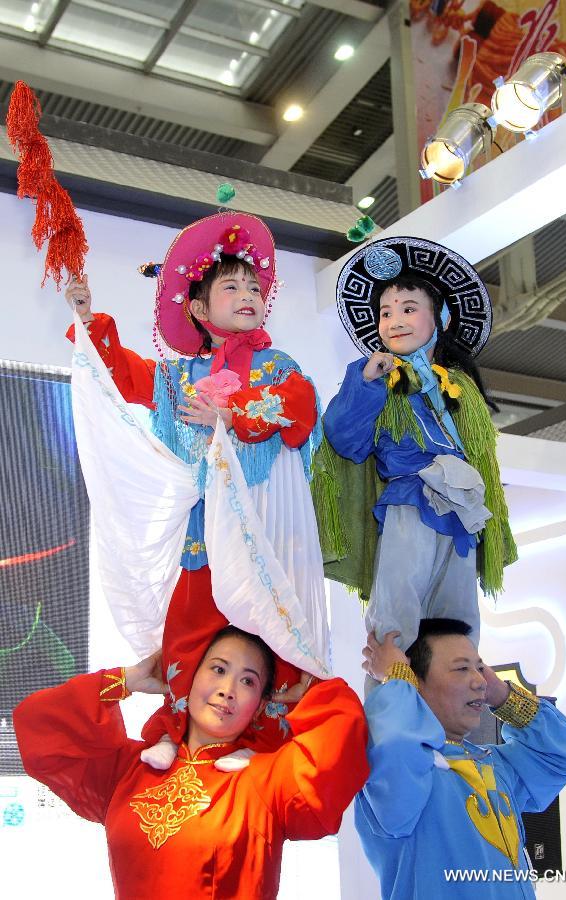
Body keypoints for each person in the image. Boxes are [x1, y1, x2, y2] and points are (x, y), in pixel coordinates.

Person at [65, 211, 329, 769]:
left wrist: (230, 416)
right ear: (197, 309)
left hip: (261, 528)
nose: (247, 295)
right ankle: (174, 728)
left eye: (254, 287)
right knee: (190, 633)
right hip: (201, 532)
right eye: (231, 287)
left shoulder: (278, 365)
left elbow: (300, 409)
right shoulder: (178, 375)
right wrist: (90, 322)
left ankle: (257, 740)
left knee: (262, 633)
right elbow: (126, 378)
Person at [14, 566, 368, 900]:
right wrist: (128, 679)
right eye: (217, 669)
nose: (228, 689)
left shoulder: (265, 780)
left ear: (260, 705)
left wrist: (311, 692)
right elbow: (38, 724)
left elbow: (343, 736)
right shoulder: (128, 769)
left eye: (248, 681)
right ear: (190, 678)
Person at [318, 236, 517, 678]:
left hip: (464, 511)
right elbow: (345, 439)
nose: (394, 320)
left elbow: (481, 456)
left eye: (408, 308)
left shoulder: (460, 387)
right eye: (385, 313)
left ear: (440, 317)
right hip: (410, 500)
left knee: (460, 614)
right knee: (397, 610)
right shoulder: (376, 376)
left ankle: (453, 713)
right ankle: (392, 715)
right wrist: (367, 383)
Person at [356, 618, 566, 899]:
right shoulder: (403, 773)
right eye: (462, 668)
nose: (480, 680)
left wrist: (502, 694)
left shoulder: (494, 765)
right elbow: (394, 745)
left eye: (480, 669)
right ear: (415, 683)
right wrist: (396, 677)